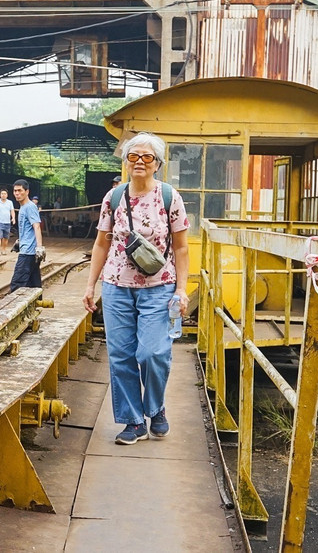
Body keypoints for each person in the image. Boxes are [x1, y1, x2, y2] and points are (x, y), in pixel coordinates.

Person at [82, 132, 189, 445]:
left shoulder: (169, 197)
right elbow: (101, 243)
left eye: (147, 157)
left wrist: (182, 289)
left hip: (159, 287)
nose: (140, 161)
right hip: (116, 287)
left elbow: (181, 248)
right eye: (133, 156)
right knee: (121, 355)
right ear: (125, 162)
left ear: (157, 164)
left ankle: (155, 408)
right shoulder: (113, 198)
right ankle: (133, 421)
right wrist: (91, 285)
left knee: (153, 352)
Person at [10, 179, 44, 292]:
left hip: (28, 253)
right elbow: (27, 228)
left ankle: (14, 308)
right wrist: (20, 241)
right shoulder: (23, 207)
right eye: (15, 191)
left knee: (17, 284)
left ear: (27, 192)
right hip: (28, 250)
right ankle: (35, 305)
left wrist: (39, 247)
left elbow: (36, 226)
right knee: (33, 284)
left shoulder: (30, 207)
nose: (17, 193)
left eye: (20, 190)